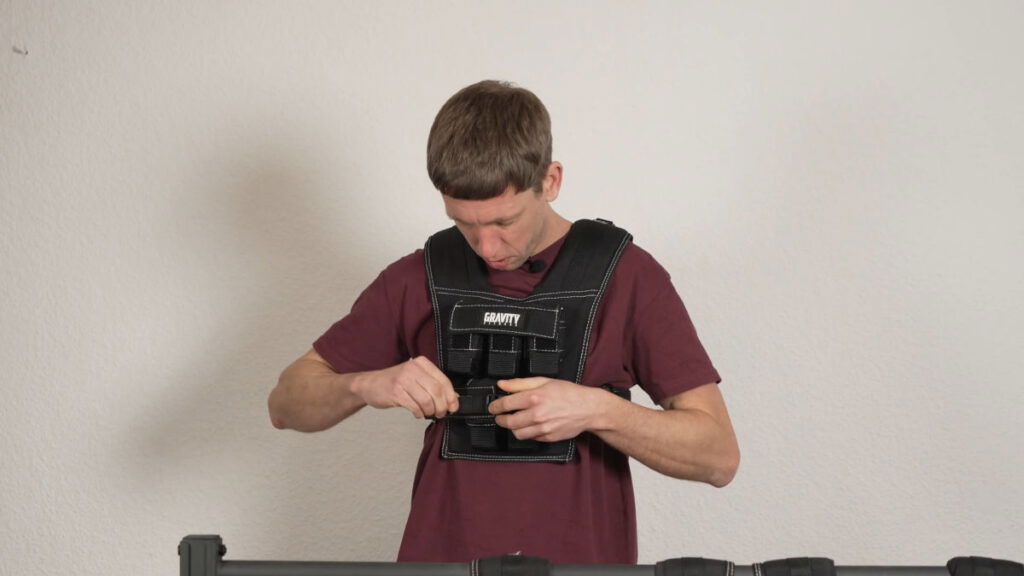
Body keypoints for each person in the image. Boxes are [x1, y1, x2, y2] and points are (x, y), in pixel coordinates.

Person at [268, 80, 739, 564]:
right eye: (464, 223)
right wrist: (365, 385)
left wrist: (598, 411)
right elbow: (285, 404)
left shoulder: (629, 277)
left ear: (551, 181)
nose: (487, 248)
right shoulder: (418, 278)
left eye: (504, 222)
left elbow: (719, 456)